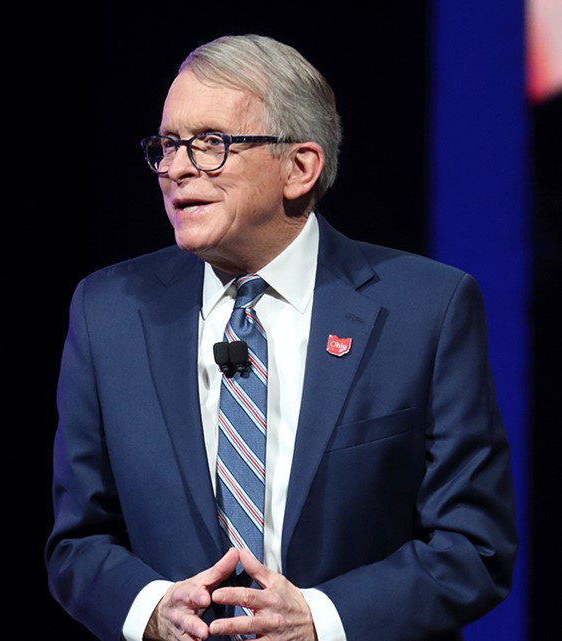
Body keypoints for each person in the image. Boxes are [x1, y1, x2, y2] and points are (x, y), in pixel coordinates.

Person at [45, 34, 516, 641]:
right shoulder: (106, 312)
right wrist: (151, 610)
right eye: (168, 145)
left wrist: (322, 619)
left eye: (211, 144)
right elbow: (77, 543)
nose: (178, 168)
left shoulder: (427, 309)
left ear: (299, 167)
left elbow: (473, 547)